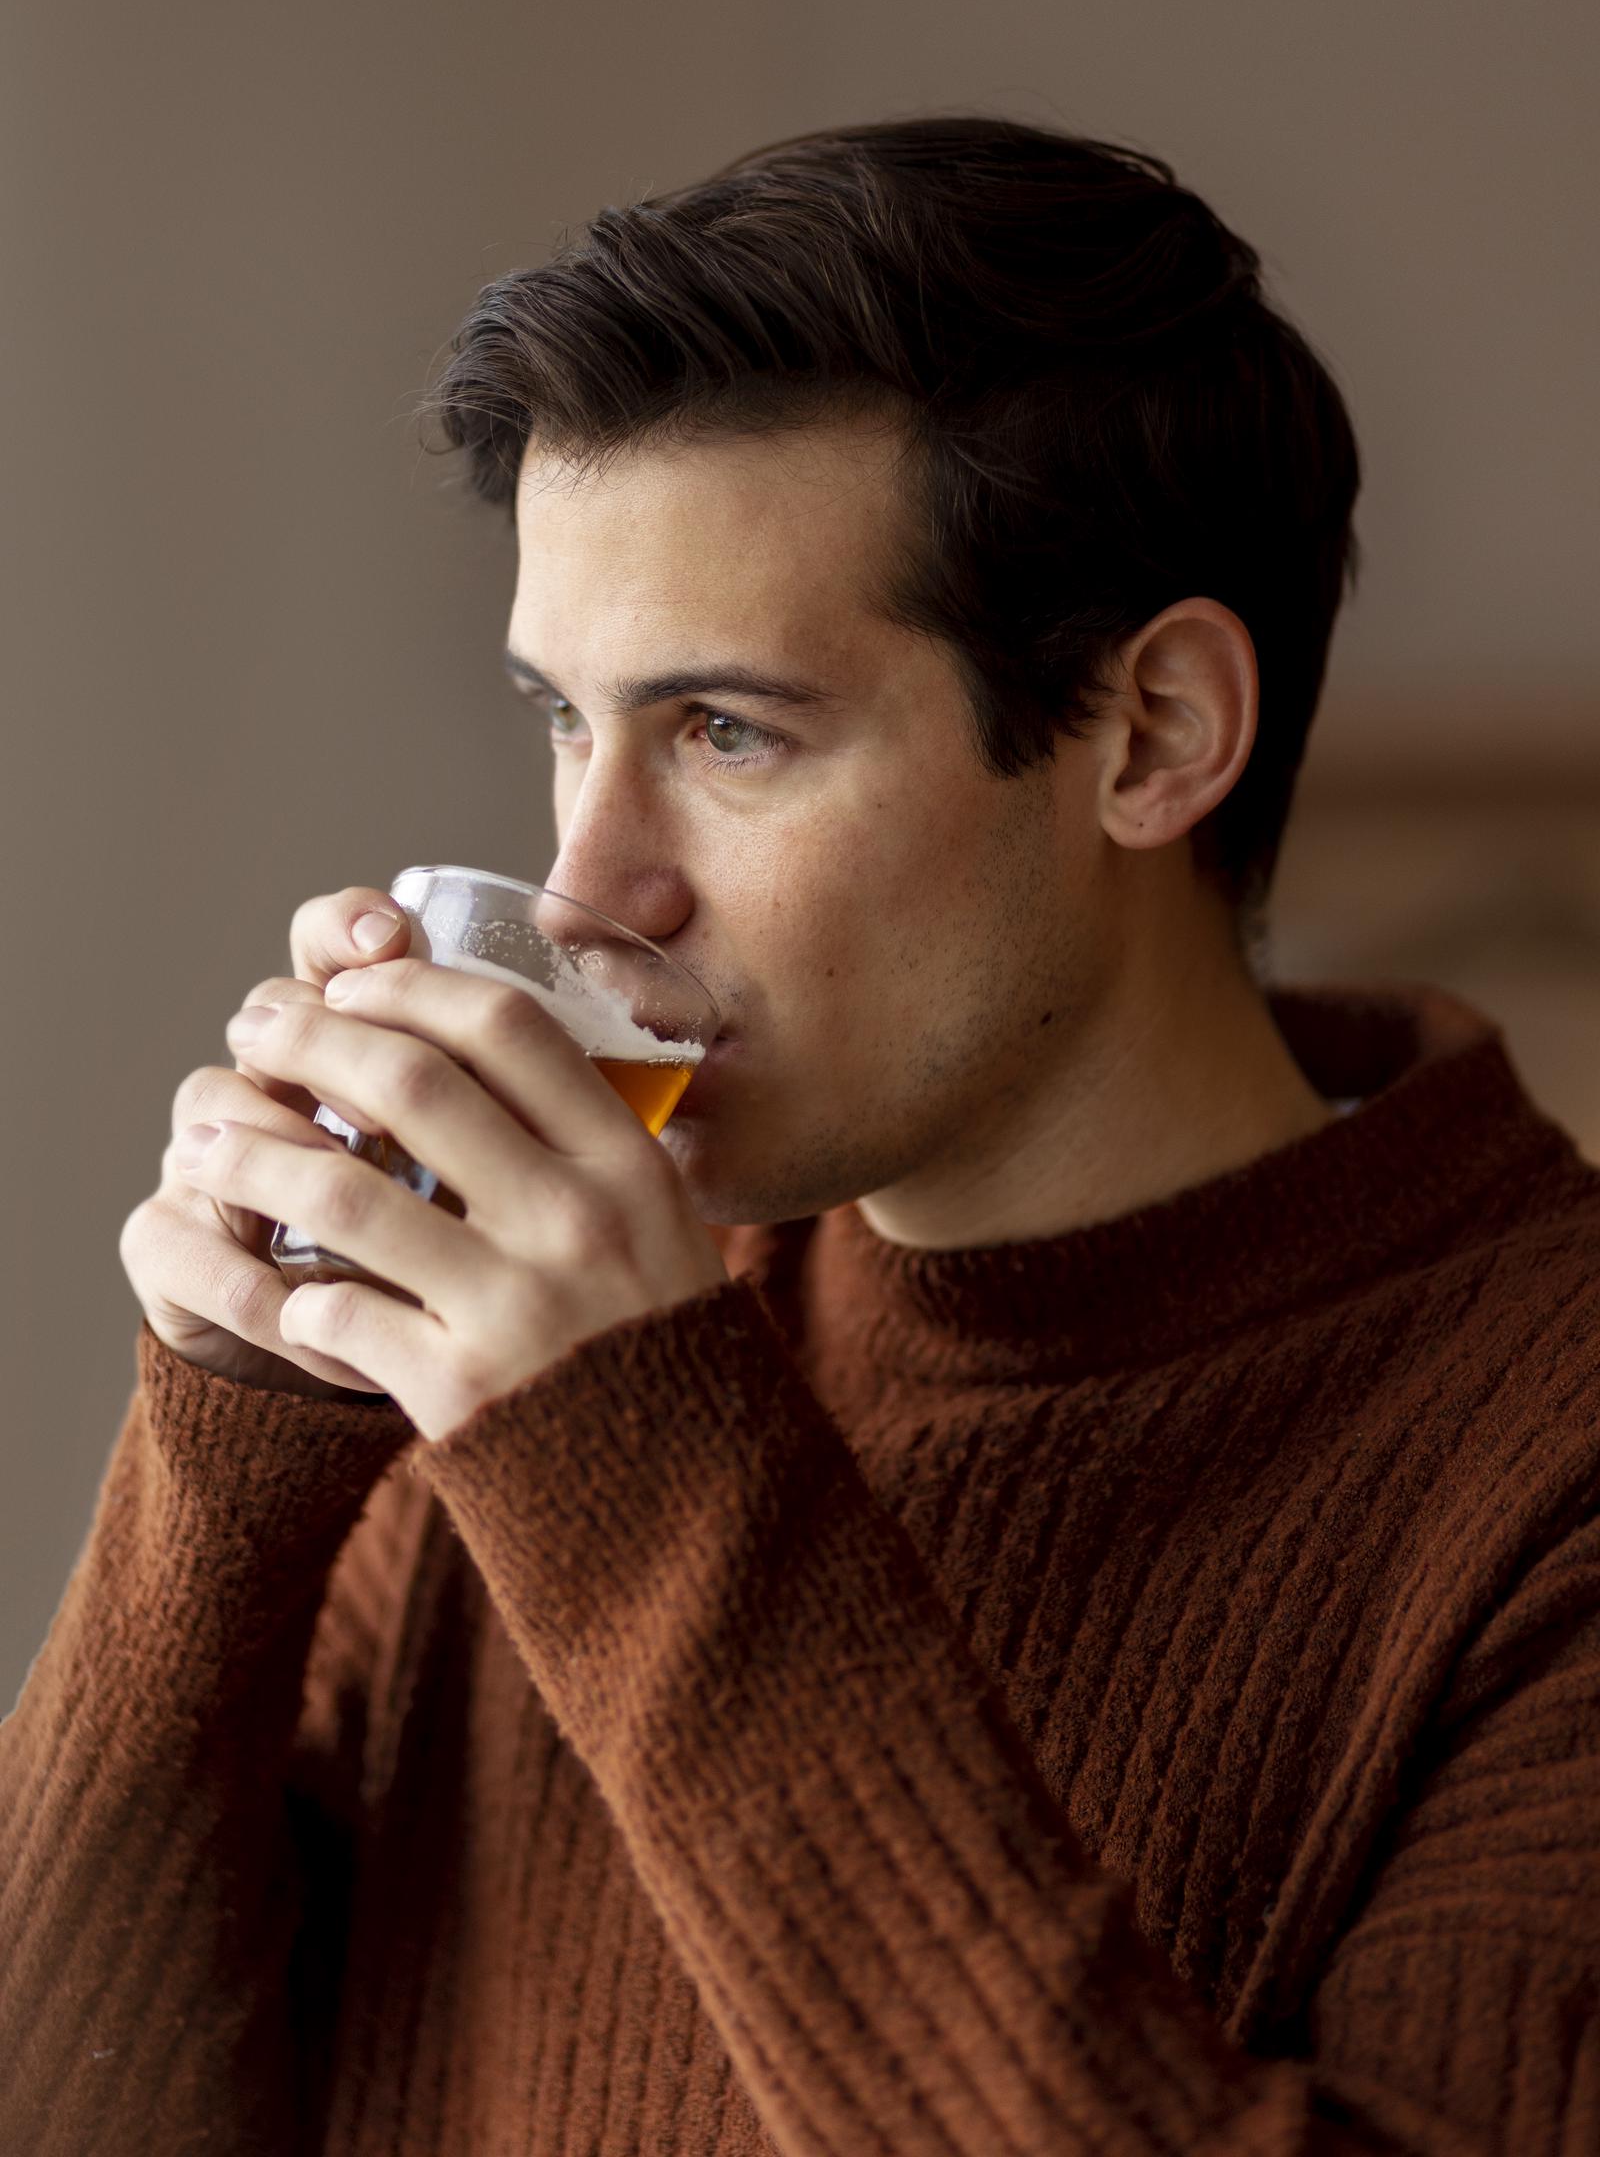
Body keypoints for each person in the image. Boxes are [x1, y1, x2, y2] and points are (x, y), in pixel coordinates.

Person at [4, 116, 1597, 2153]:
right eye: (563, 721)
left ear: (1152, 734)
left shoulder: (1550, 1465)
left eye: (727, 732)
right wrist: (217, 1460)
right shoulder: (528, 1359)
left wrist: (633, 1466)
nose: (588, 891)